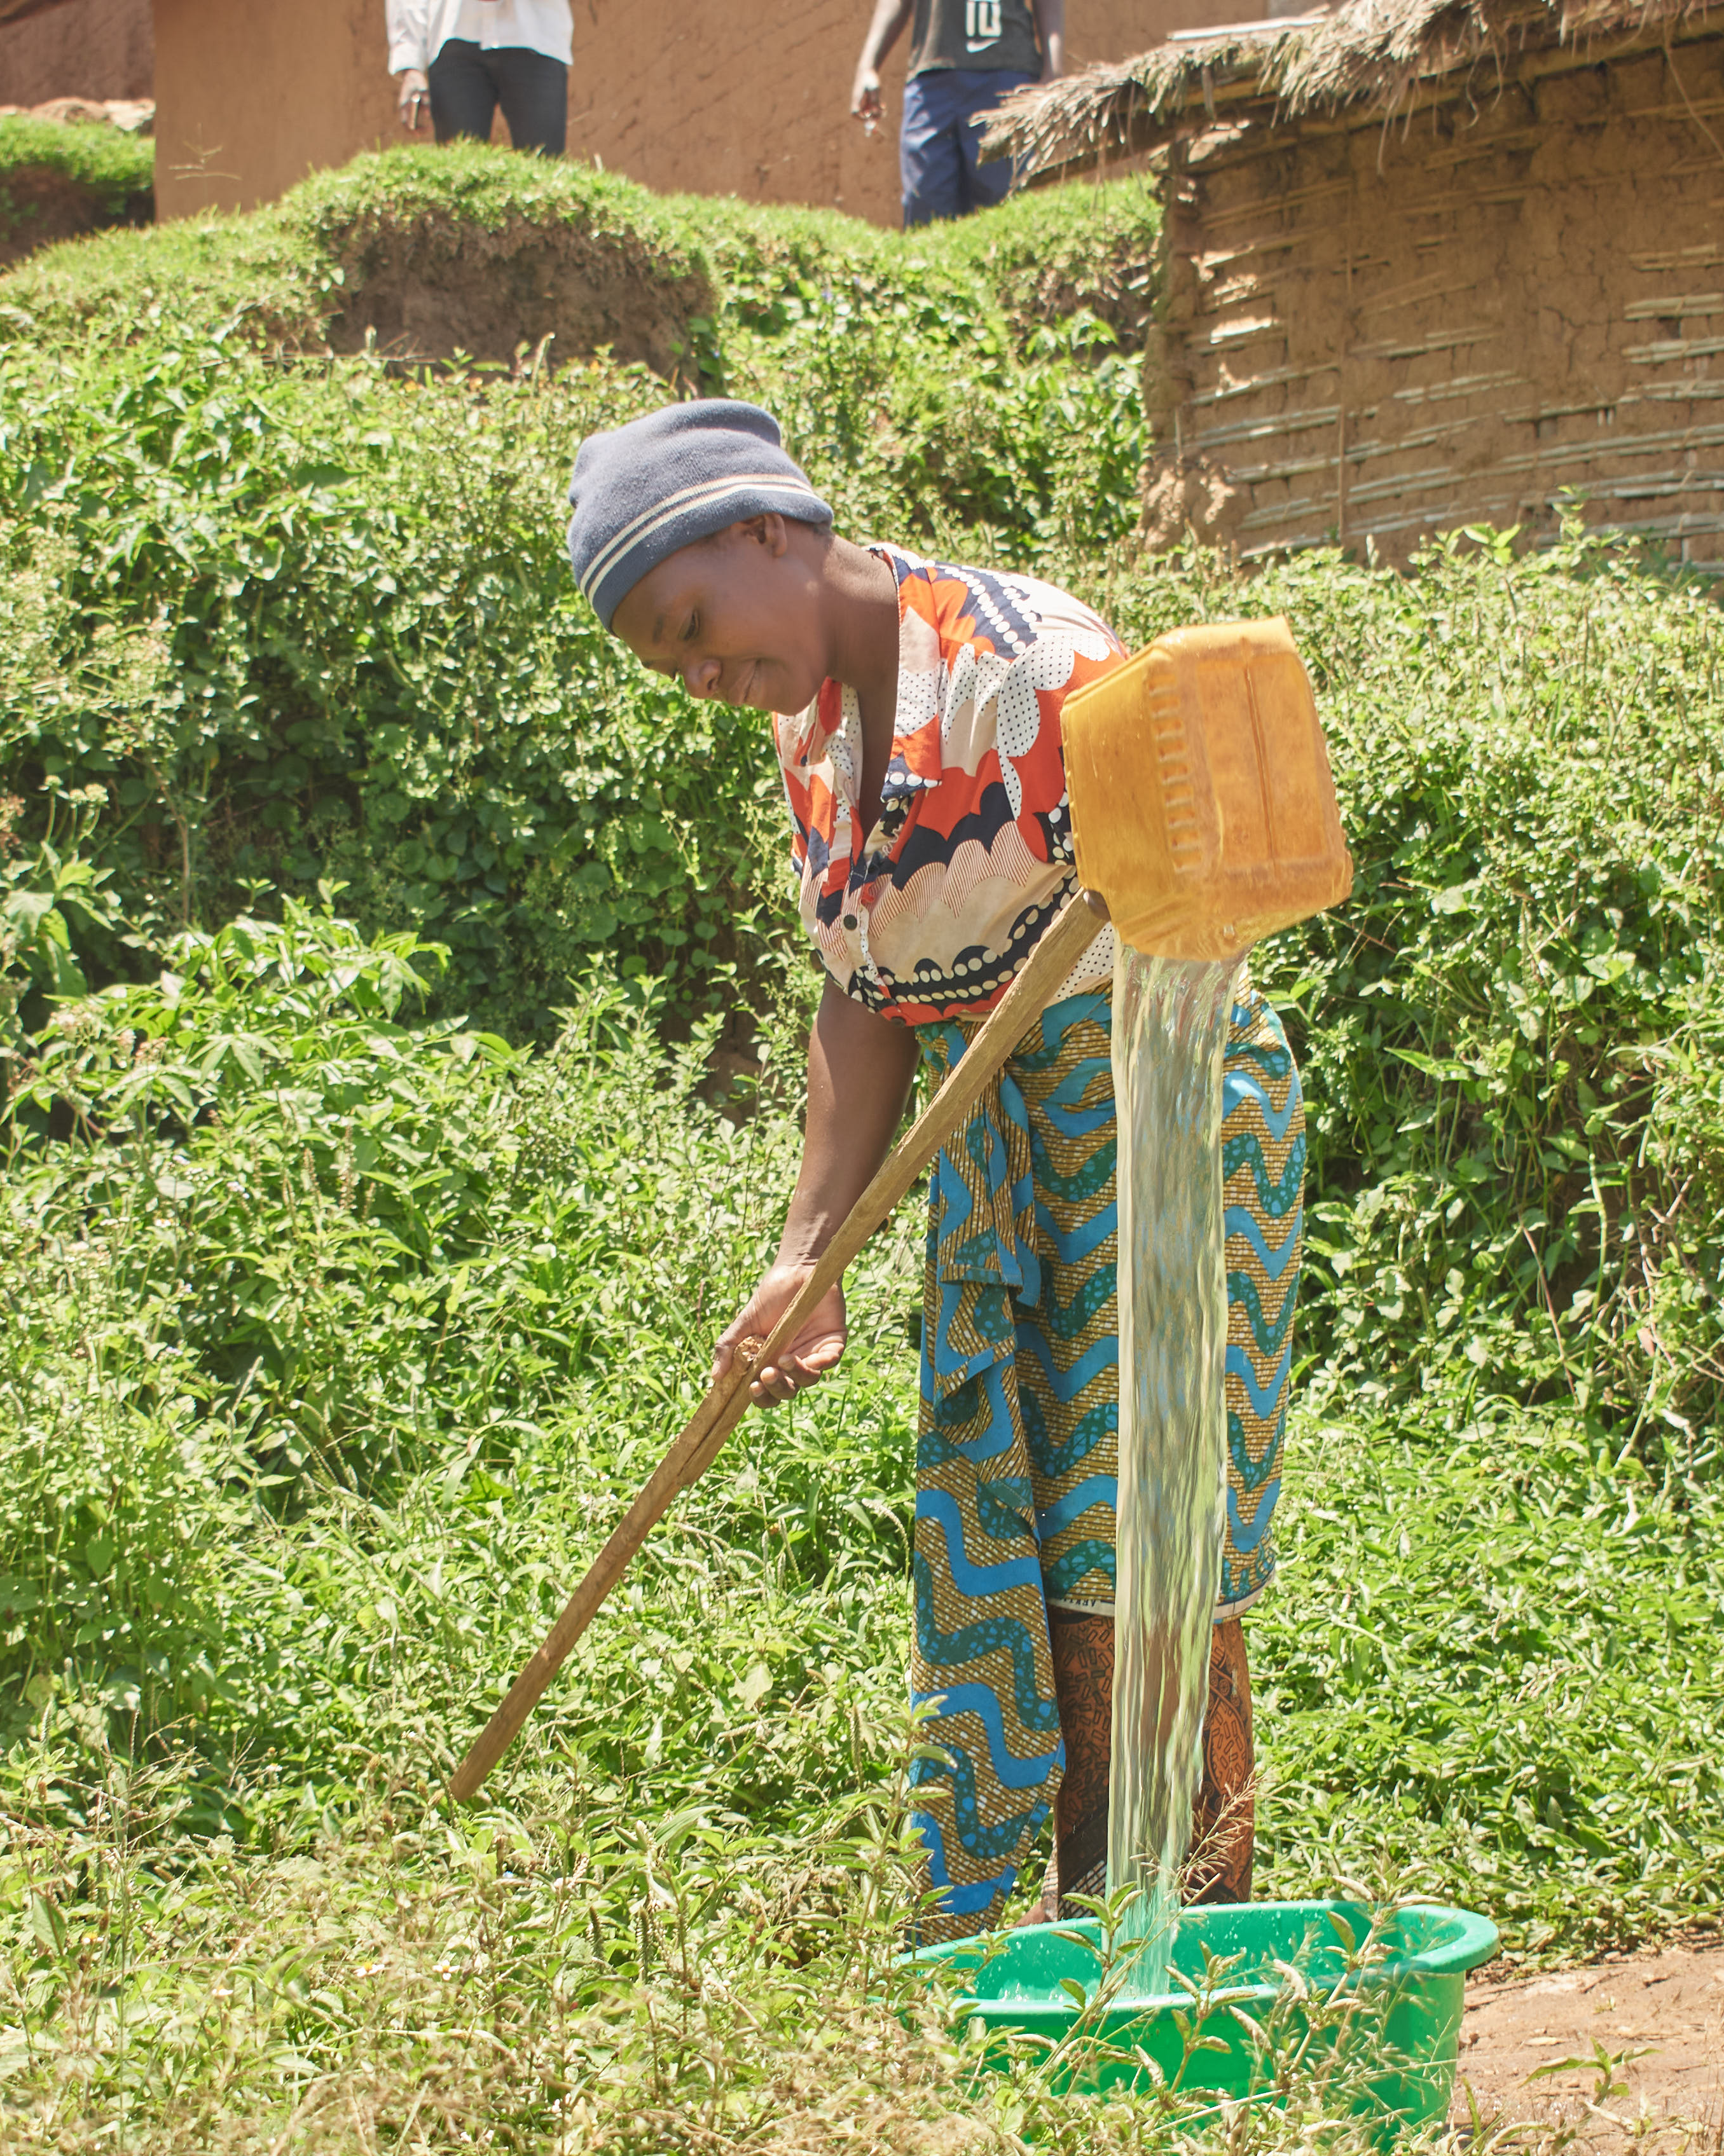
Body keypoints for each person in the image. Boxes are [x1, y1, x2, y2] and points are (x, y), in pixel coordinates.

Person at [563, 400, 1302, 1942]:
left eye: (693, 626)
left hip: (1161, 1107)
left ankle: (1178, 1929)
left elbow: (1199, 908)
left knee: (1142, 1533)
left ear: (768, 528)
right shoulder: (815, 732)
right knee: (1018, 1528)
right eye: (669, 667)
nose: (702, 676)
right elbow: (863, 991)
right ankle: (1061, 1932)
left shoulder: (1034, 668)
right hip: (1003, 1155)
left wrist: (1127, 1126)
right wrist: (807, 1254)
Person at [850, 0, 1061, 228]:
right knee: (925, 209)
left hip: (1006, 76)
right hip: (931, 80)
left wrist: (1054, 71)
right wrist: (868, 66)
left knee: (1005, 211)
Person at [388, 0, 571, 156]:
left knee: (543, 165)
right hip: (452, 32)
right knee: (458, 170)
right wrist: (410, 64)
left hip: (537, 33)